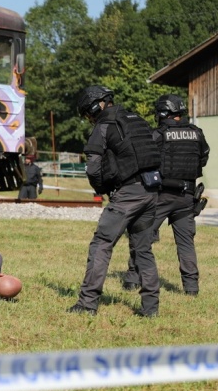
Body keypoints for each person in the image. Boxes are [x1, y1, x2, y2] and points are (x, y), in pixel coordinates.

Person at [68, 85, 161, 317]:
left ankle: (87, 304)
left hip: (128, 194)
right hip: (151, 190)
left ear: (96, 105)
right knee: (143, 250)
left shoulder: (104, 125)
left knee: (101, 244)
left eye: (88, 113)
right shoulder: (137, 119)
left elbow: (93, 167)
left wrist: (102, 188)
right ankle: (151, 308)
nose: (89, 118)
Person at [122, 95, 210, 295]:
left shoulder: (158, 135)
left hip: (160, 196)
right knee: (186, 243)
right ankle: (191, 288)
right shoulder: (197, 133)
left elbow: (142, 161)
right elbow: (203, 158)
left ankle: (132, 280)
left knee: (141, 235)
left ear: (162, 113)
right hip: (187, 196)